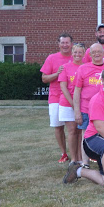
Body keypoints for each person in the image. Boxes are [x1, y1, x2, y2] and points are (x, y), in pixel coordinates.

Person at [66, 67, 104, 197]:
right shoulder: (97, 99)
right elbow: (100, 127)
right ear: (102, 81)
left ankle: (78, 171)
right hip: (94, 139)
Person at [72, 43, 104, 171]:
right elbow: (77, 91)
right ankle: (85, 162)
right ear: (90, 54)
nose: (96, 54)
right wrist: (77, 112)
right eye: (94, 52)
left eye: (99, 51)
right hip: (87, 108)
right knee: (86, 135)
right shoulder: (83, 68)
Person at [42, 32, 73, 163]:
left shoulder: (77, 56)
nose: (65, 45)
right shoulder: (52, 58)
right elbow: (44, 78)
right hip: (55, 98)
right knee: (58, 126)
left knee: (75, 129)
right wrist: (57, 73)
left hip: (72, 98)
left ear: (71, 44)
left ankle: (79, 153)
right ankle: (64, 153)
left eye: (67, 42)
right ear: (59, 44)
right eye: (63, 42)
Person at [59, 43, 86, 170]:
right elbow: (63, 87)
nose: (77, 55)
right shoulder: (65, 67)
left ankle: (81, 158)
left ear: (84, 54)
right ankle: (74, 158)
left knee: (81, 131)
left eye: (80, 52)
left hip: (83, 103)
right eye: (75, 52)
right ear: (72, 53)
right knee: (72, 131)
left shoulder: (86, 67)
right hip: (67, 103)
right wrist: (73, 104)